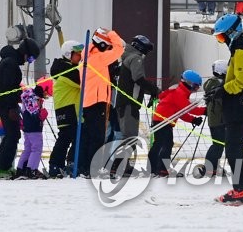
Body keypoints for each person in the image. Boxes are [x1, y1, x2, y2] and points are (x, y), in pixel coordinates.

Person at [211, 14, 243, 202]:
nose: (222, 41)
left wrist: (222, 90)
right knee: (235, 148)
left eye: (222, 37)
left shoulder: (241, 49)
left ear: (232, 32)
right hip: (240, 106)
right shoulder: (239, 49)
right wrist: (222, 87)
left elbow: (242, 82)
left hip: (239, 107)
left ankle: (242, 188)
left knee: (232, 149)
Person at [0, 36, 40, 177]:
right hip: (6, 104)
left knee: (10, 134)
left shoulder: (10, 61)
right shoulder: (10, 63)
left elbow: (11, 87)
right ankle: (3, 167)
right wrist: (12, 107)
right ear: (25, 53)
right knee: (13, 135)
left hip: (5, 102)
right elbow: (7, 88)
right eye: (30, 59)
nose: (28, 62)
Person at [77, 27, 124, 177]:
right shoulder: (98, 59)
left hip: (88, 102)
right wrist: (112, 33)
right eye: (107, 46)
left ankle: (86, 167)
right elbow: (119, 49)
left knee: (89, 136)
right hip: (97, 101)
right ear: (102, 44)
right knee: (97, 137)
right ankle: (94, 168)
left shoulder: (87, 57)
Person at [112, 34, 159, 176]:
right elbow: (138, 79)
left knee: (127, 136)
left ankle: (124, 166)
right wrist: (155, 90)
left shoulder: (125, 56)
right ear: (141, 47)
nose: (147, 53)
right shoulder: (135, 58)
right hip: (129, 104)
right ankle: (117, 167)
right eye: (147, 49)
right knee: (130, 137)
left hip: (123, 103)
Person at [148, 70, 205, 176]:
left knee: (160, 144)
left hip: (162, 120)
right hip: (163, 121)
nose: (196, 90)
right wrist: (204, 111)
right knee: (166, 144)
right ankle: (162, 169)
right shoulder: (179, 93)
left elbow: (181, 112)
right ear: (189, 83)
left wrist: (192, 120)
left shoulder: (180, 92)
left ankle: (154, 168)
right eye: (195, 87)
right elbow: (189, 108)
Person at [48, 40, 83, 178]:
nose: (80, 56)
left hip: (68, 107)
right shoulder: (66, 70)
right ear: (69, 54)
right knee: (68, 137)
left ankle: (64, 163)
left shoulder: (66, 67)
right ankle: (59, 164)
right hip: (68, 108)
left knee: (69, 136)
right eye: (77, 53)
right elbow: (81, 82)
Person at [196, 60, 228, 178]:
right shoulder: (217, 84)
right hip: (218, 118)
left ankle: (213, 166)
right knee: (218, 144)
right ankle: (210, 167)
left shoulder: (214, 83)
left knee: (219, 143)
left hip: (216, 118)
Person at [16, 78, 51, 179]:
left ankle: (20, 169)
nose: (46, 96)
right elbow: (35, 115)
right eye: (46, 93)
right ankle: (32, 169)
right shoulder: (35, 99)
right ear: (43, 89)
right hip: (34, 128)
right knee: (36, 149)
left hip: (27, 127)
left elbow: (26, 112)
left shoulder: (28, 96)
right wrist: (43, 114)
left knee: (28, 148)